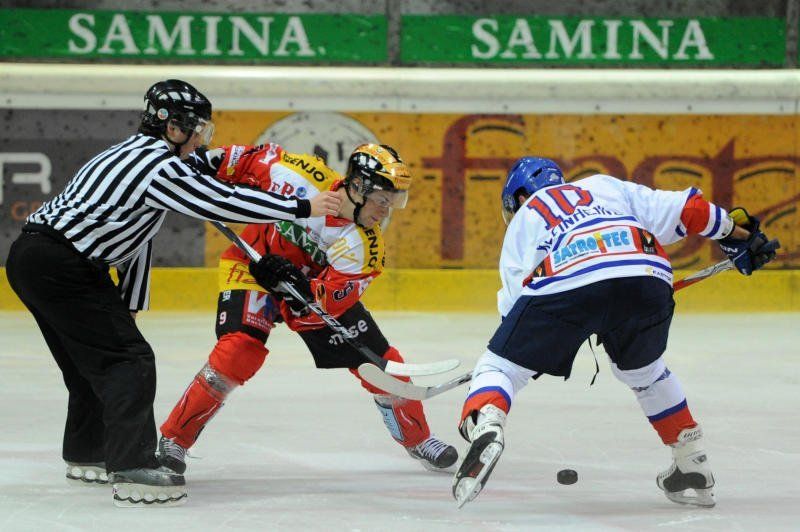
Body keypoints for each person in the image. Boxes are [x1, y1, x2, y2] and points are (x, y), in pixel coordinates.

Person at [4, 79, 340, 507]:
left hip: (35, 259)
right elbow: (220, 201)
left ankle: (87, 451)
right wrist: (301, 207)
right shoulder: (158, 167)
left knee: (92, 363)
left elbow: (135, 239)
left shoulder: (129, 153)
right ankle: (132, 465)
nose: (202, 140)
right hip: (62, 265)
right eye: (198, 130)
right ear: (174, 127)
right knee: (129, 361)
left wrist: (129, 304)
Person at [451, 157, 779, 508]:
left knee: (500, 367)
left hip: (568, 279)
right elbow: (690, 209)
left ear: (518, 197)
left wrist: (518, 359)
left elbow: (516, 311)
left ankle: (488, 423)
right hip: (646, 274)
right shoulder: (603, 186)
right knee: (645, 372)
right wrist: (742, 237)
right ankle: (692, 462)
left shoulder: (525, 217)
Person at [157, 142, 459, 477]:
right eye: (382, 201)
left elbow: (324, 306)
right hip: (251, 268)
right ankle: (174, 440)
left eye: (392, 203)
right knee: (238, 351)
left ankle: (419, 439)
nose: (386, 212)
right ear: (359, 187)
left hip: (306, 296)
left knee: (384, 365)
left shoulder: (365, 247)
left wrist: (301, 288)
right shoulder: (300, 175)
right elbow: (243, 161)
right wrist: (199, 162)